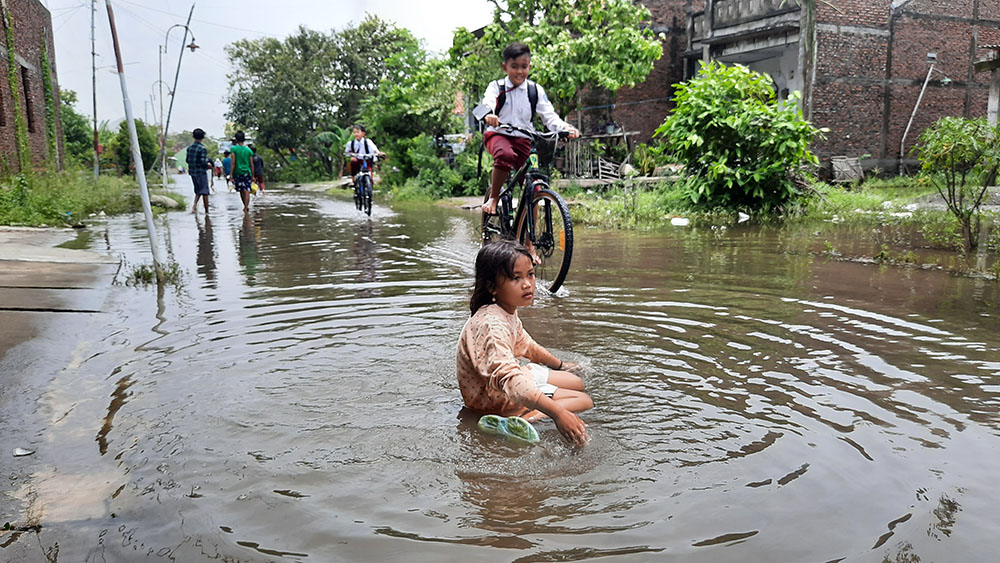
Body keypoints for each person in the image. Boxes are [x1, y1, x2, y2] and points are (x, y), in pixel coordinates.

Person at [456, 240, 592, 445]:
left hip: (508, 381)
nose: (528, 284)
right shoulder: (492, 324)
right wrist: (557, 414)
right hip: (495, 398)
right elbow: (508, 379)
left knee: (577, 382)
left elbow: (526, 345)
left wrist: (560, 365)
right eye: (515, 277)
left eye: (530, 274)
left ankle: (533, 407)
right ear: (492, 286)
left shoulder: (505, 310)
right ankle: (520, 420)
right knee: (583, 400)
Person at [479, 42, 579, 215]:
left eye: (524, 67)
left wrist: (565, 127)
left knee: (534, 185)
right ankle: (494, 198)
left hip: (524, 138)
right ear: (505, 67)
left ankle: (529, 241)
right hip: (498, 135)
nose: (519, 71)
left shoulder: (534, 90)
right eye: (514, 67)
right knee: (505, 155)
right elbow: (484, 104)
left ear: (529, 67)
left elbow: (549, 115)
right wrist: (489, 114)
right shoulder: (496, 87)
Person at [185, 128, 213, 214]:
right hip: (201, 172)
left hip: (193, 173)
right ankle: (207, 212)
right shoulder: (202, 148)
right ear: (203, 137)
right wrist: (208, 165)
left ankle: (194, 207)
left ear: (193, 136)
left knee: (198, 190)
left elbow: (187, 160)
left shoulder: (189, 148)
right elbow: (203, 162)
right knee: (205, 192)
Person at [230, 131, 255, 212]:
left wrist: (231, 174)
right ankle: (246, 206)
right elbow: (251, 164)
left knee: (241, 190)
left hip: (237, 172)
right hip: (247, 172)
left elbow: (233, 162)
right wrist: (253, 175)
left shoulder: (234, 149)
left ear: (236, 139)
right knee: (246, 189)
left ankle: (245, 206)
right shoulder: (249, 150)